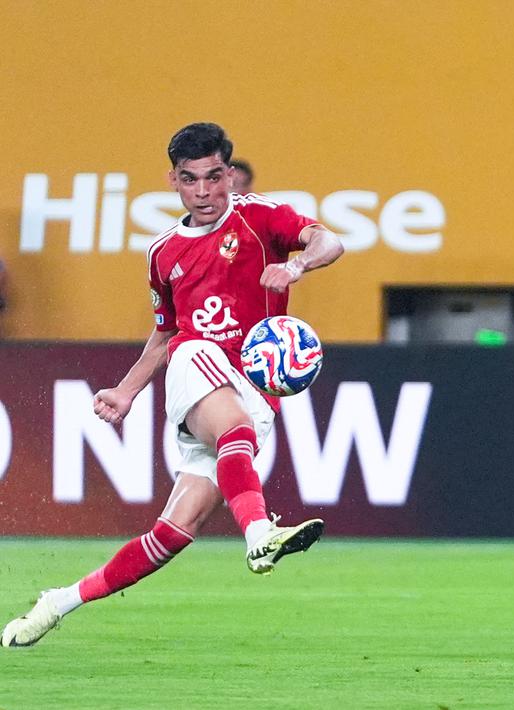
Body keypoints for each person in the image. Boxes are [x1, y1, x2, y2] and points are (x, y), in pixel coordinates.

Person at [3, 123, 345, 648]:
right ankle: (259, 534)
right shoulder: (164, 253)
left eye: (213, 177)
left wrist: (296, 266)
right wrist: (128, 389)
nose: (204, 192)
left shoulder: (259, 218)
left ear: (229, 175)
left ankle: (59, 601)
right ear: (173, 181)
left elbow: (330, 240)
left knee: (173, 534)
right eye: (190, 180)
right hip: (196, 362)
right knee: (227, 415)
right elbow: (167, 334)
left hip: (252, 385)